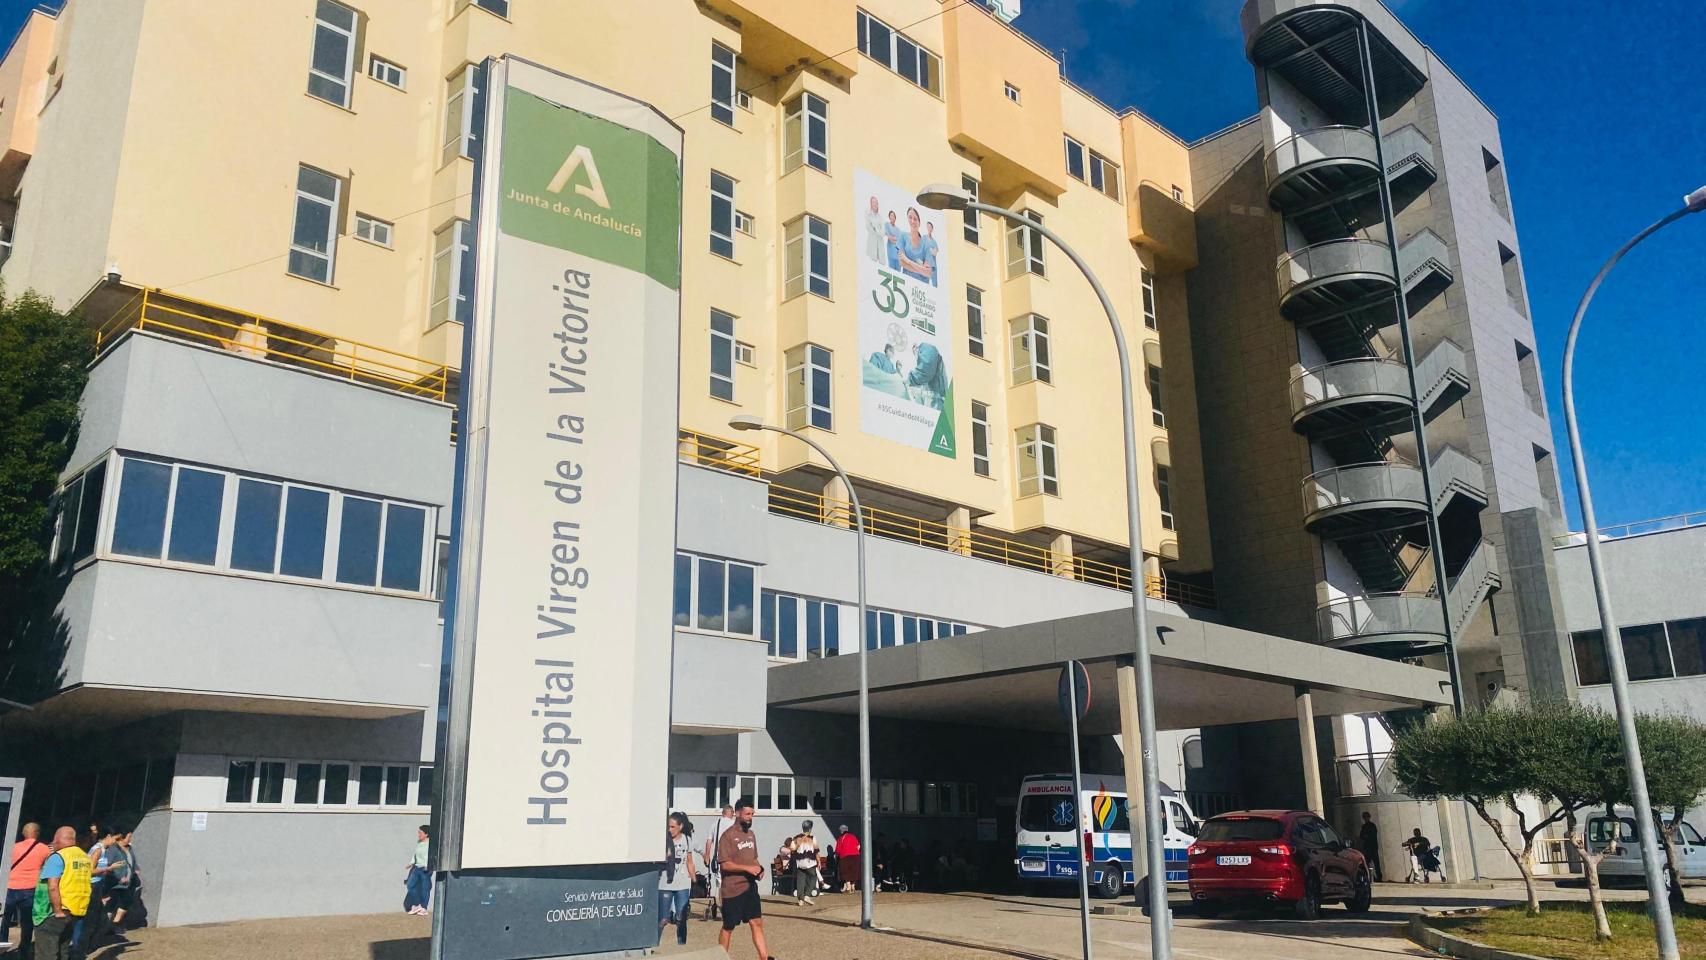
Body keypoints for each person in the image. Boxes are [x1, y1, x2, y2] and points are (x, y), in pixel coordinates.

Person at [715, 799, 769, 960]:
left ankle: (764, 957)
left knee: (757, 922)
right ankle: (721, 957)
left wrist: (759, 869)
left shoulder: (751, 835)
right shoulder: (728, 836)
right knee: (728, 927)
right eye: (747, 814)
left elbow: (753, 860)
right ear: (737, 813)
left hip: (750, 888)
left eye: (752, 814)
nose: (750, 817)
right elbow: (725, 865)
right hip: (732, 890)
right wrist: (747, 869)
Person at [31, 827, 91, 960]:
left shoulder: (59, 857)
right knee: (63, 950)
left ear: (58, 840)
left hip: (54, 913)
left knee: (46, 952)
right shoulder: (84, 857)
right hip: (75, 911)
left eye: (54, 840)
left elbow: (52, 886)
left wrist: (57, 910)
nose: (53, 843)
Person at [4, 823, 52, 956]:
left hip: (9, 887)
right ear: (37, 833)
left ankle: (2, 945)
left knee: (5, 919)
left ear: (23, 834)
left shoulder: (12, 847)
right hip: (30, 889)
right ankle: (24, 950)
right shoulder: (44, 849)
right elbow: (48, 868)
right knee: (27, 922)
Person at [658, 812, 697, 946]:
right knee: (662, 919)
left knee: (681, 917)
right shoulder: (663, 841)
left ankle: (682, 946)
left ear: (680, 826)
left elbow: (690, 862)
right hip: (665, 883)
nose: (670, 830)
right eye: (668, 827)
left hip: (683, 884)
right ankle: (654, 945)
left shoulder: (687, 840)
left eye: (673, 827)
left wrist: (694, 880)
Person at [703, 804, 734, 922]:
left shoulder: (715, 824)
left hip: (718, 858)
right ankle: (727, 909)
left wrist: (707, 856)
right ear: (730, 813)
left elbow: (709, 841)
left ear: (723, 813)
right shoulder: (733, 824)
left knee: (719, 884)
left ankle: (722, 906)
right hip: (731, 859)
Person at [102, 829, 136, 936]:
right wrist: (118, 877)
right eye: (129, 837)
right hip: (115, 883)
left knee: (127, 901)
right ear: (122, 837)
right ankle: (105, 927)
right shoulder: (113, 849)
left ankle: (115, 923)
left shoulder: (129, 849)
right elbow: (107, 865)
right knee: (111, 905)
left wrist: (136, 869)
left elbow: (132, 861)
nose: (130, 839)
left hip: (127, 883)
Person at [896, 208, 934, 284]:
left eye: (915, 219)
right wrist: (921, 269)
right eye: (910, 217)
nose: (912, 221)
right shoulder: (903, 236)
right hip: (907, 283)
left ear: (919, 223)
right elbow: (902, 262)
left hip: (922, 290)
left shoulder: (926, 244)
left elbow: (929, 273)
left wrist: (908, 261)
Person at [906, 341, 946, 409]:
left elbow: (925, 372)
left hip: (936, 402)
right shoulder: (928, 352)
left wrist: (910, 379)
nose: (916, 358)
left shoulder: (928, 350)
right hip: (935, 400)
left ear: (916, 348)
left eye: (915, 354)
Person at [404, 825, 432, 916]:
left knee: (425, 888)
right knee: (410, 885)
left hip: (425, 869)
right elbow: (415, 855)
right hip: (417, 868)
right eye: (418, 832)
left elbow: (432, 856)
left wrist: (428, 866)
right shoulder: (420, 843)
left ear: (426, 834)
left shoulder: (431, 845)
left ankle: (423, 908)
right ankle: (417, 905)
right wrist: (411, 863)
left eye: (420, 832)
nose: (418, 834)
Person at [793, 825, 819, 906]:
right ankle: (807, 895)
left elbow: (792, 849)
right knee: (813, 876)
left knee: (800, 880)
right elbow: (816, 850)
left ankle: (800, 900)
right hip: (810, 862)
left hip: (800, 862)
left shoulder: (796, 838)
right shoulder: (812, 838)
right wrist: (819, 861)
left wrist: (798, 845)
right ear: (810, 829)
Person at [834, 824, 862, 893]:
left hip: (845, 857)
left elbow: (838, 850)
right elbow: (858, 846)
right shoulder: (853, 836)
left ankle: (848, 887)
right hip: (856, 856)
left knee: (846, 872)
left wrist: (837, 855)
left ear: (841, 831)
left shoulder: (841, 838)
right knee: (854, 872)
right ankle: (853, 886)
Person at [1357, 813, 1382, 881]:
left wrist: (1366, 836)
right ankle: (1372, 877)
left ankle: (1378, 877)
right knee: (1368, 863)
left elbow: (1371, 836)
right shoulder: (1365, 826)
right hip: (1368, 847)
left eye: (1366, 817)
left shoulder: (1372, 825)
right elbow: (1361, 836)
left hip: (1372, 847)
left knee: (1376, 863)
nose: (1365, 818)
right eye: (1364, 817)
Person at [864, 196, 886, 264]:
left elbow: (883, 233)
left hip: (880, 243)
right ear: (871, 204)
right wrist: (877, 229)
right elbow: (868, 227)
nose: (875, 204)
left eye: (876, 202)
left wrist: (875, 228)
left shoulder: (880, 217)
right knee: (872, 263)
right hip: (872, 242)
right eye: (873, 202)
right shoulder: (868, 214)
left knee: (881, 264)